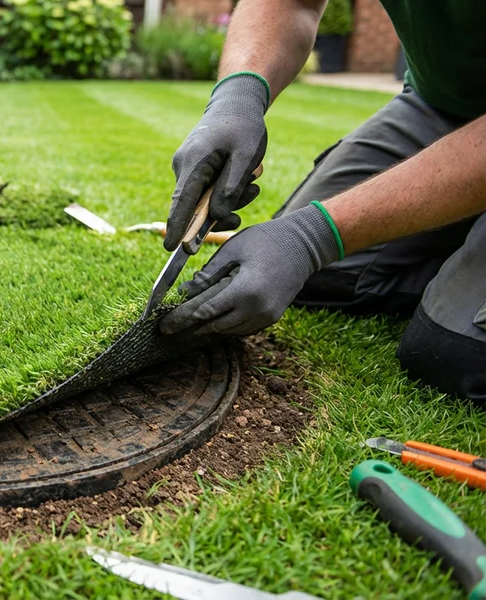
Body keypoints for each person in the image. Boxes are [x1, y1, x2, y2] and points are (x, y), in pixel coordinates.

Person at [157, 0, 486, 401]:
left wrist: (313, 236)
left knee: (456, 353)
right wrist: (237, 100)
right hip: (441, 104)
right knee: (315, 277)